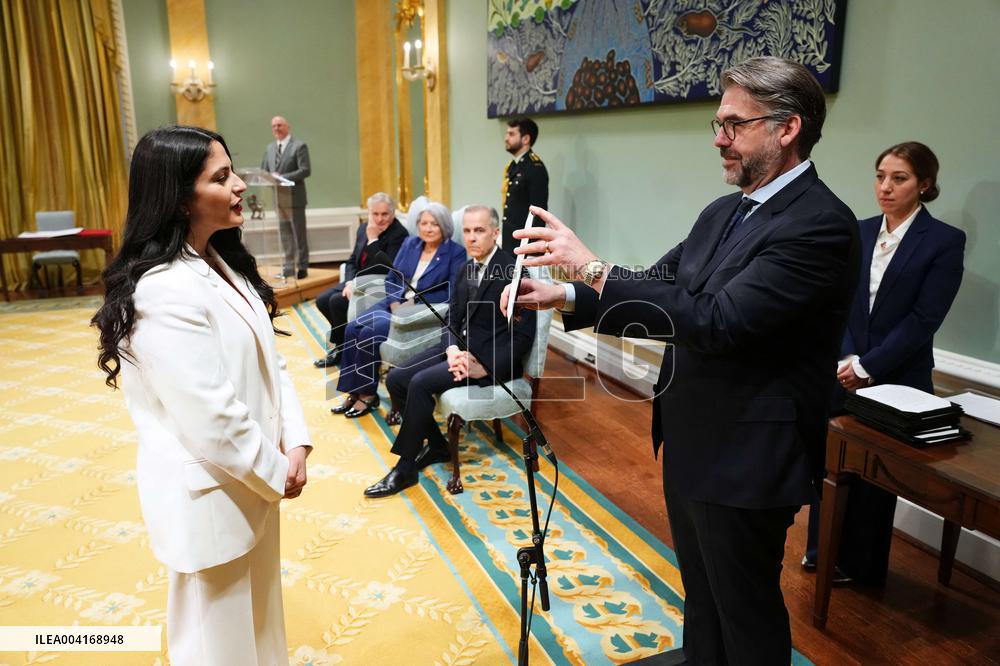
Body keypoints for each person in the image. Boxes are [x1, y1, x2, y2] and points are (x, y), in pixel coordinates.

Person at [503, 57, 861, 665]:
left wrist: (591, 267)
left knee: (744, 612)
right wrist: (566, 291)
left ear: (787, 127)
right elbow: (660, 285)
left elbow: (718, 321)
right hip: (693, 438)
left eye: (733, 125)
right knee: (702, 599)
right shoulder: (723, 211)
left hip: (749, 457)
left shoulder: (821, 225)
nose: (719, 139)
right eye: (716, 124)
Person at [91, 125, 311, 665]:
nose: (239, 185)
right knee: (218, 646)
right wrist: (275, 469)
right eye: (221, 177)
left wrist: (297, 441)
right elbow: (209, 414)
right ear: (179, 197)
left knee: (260, 630)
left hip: (248, 480)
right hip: (213, 491)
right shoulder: (163, 288)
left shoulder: (220, 261)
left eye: (233, 171)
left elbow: (270, 363)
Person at [802, 141, 966, 583]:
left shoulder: (945, 242)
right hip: (844, 367)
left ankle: (860, 567)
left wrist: (869, 365)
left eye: (899, 178)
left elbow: (924, 319)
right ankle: (821, 552)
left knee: (875, 477)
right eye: (880, 176)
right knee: (829, 463)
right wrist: (849, 358)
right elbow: (839, 300)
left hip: (899, 378)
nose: (885, 187)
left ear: (924, 184)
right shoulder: (858, 230)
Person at [364, 206, 537, 498]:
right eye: (467, 231)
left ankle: (405, 469)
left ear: (495, 233)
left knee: (419, 384)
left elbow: (522, 337)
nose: (471, 238)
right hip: (460, 350)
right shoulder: (465, 268)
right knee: (396, 379)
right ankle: (439, 444)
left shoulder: (514, 273)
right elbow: (452, 320)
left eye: (479, 231)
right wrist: (453, 348)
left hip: (489, 362)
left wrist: (485, 368)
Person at [332, 202, 466, 419]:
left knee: (368, 333)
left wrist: (411, 305)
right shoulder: (410, 243)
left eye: (434, 224)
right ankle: (354, 391)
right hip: (393, 304)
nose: (428, 228)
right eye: (424, 223)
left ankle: (367, 395)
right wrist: (394, 301)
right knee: (353, 327)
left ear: (444, 227)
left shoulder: (455, 253)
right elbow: (393, 276)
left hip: (417, 312)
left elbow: (451, 291)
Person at [313, 192, 409, 368]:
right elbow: (352, 260)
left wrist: (373, 239)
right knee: (322, 300)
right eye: (375, 214)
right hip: (356, 280)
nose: (379, 219)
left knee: (336, 302)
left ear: (393, 213)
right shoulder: (363, 228)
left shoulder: (399, 234)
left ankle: (341, 349)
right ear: (369, 213)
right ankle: (342, 343)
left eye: (385, 214)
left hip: (376, 284)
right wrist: (350, 281)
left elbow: (385, 268)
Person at [262, 115, 311, 279]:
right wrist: (269, 177)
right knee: (285, 235)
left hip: (294, 199)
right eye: (274, 126)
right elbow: (264, 172)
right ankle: (288, 267)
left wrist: (281, 176)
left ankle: (302, 266)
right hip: (278, 199)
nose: (276, 128)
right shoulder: (269, 148)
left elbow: (305, 170)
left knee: (299, 235)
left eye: (280, 125)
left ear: (287, 127)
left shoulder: (299, 146)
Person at [501, 117, 548, 252]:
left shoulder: (534, 167)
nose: (506, 138)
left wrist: (532, 246)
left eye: (511, 134)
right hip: (510, 238)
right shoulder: (513, 166)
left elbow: (538, 212)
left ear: (525, 139)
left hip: (525, 242)